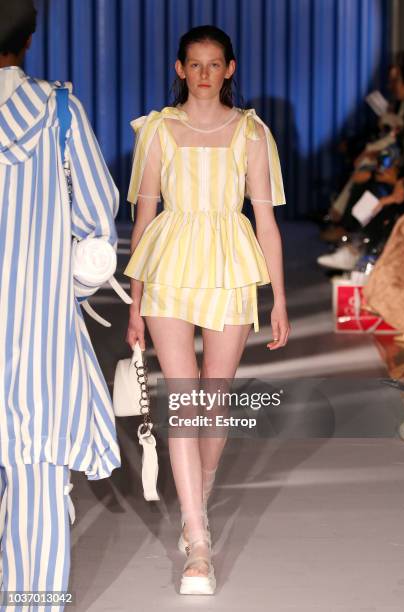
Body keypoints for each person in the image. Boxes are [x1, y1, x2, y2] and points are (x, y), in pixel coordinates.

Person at [124, 25, 290, 595]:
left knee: (212, 401)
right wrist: (136, 301)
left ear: (229, 69)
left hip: (230, 266)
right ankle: (198, 542)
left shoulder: (250, 133)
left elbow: (266, 220)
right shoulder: (158, 131)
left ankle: (203, 490)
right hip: (170, 262)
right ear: (179, 69)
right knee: (185, 399)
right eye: (194, 64)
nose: (203, 74)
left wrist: (280, 300)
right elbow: (143, 218)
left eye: (214, 65)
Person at [0, 1, 121, 607]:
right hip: (36, 334)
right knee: (35, 470)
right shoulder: (59, 113)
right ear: (30, 36)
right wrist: (61, 290)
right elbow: (97, 226)